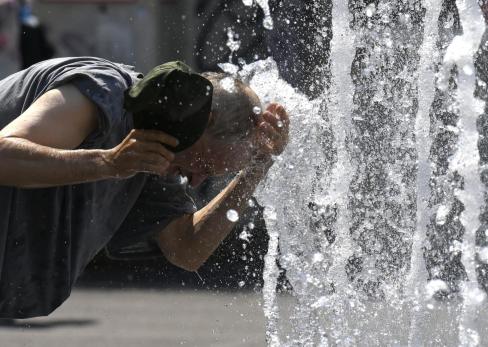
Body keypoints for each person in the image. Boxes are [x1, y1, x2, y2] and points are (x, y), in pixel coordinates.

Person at [0, 56, 289, 318]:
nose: (197, 180)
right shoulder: (103, 92)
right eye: (203, 165)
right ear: (202, 121)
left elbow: (186, 249)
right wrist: (107, 163)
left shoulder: (153, 158)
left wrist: (259, 167)